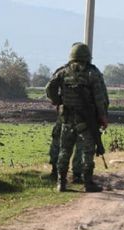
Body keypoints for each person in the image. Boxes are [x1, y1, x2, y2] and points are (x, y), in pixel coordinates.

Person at [46, 43, 108, 193]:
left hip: (67, 117)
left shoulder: (62, 72)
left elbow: (49, 89)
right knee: (88, 151)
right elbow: (100, 98)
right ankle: (88, 182)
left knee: (64, 150)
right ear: (87, 57)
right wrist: (103, 117)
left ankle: (61, 183)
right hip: (87, 120)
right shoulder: (92, 73)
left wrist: (58, 100)